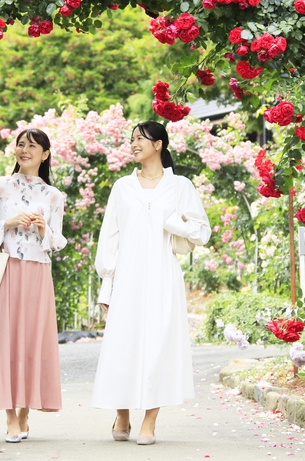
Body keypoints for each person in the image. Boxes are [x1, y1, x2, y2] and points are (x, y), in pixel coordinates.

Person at [92, 120, 211, 445]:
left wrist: (175, 224)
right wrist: (107, 284)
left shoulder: (180, 186)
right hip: (127, 277)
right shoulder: (122, 187)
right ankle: (122, 413)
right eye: (131, 139)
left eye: (140, 138)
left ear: (159, 144)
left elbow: (202, 231)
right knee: (122, 344)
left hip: (162, 276)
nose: (133, 144)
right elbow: (109, 238)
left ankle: (149, 421)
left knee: (159, 345)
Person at [0, 128, 67, 443]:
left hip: (38, 273)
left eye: (32, 146)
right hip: (6, 271)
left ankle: (25, 410)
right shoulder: (0, 186)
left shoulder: (54, 196)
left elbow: (59, 240)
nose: (24, 150)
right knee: (6, 343)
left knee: (32, 343)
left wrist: (43, 231)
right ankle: (11, 416)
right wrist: (10, 223)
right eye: (21, 144)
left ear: (45, 154)